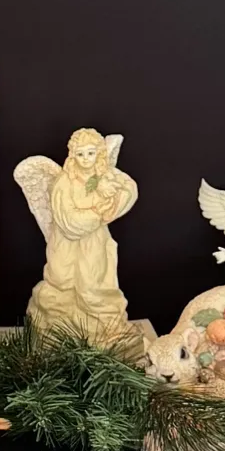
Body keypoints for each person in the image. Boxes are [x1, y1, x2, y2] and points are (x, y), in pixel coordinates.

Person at [23, 128, 136, 337]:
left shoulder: (104, 174)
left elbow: (129, 189)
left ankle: (102, 328)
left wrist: (111, 204)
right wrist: (99, 211)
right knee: (61, 282)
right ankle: (61, 328)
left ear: (99, 153)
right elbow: (69, 222)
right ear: (72, 155)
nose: (85, 159)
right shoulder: (64, 183)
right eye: (80, 153)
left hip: (94, 242)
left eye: (91, 153)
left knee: (93, 283)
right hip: (67, 243)